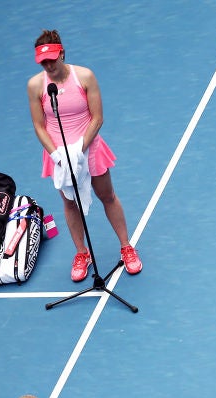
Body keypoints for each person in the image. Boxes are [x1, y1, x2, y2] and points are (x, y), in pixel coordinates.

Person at [27, 29, 142, 282]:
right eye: (43, 62)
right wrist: (58, 154)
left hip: (88, 149)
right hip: (58, 155)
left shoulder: (85, 76)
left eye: (52, 60)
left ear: (62, 53)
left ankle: (126, 247)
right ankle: (82, 253)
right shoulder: (36, 85)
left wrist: (78, 149)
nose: (48, 65)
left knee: (107, 196)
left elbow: (97, 118)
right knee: (69, 203)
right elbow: (39, 125)